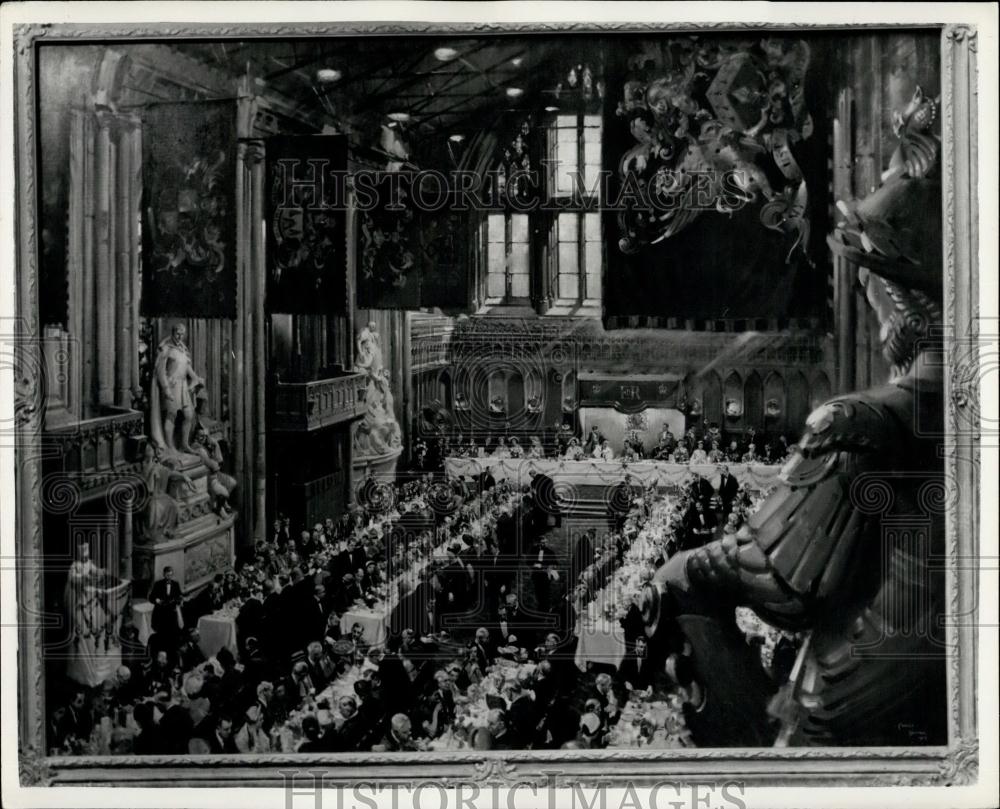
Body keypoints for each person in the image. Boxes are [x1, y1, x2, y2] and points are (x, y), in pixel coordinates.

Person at [658, 110, 948, 745]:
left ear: (892, 294)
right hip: (943, 697)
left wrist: (693, 567)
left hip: (853, 695)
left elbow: (786, 582)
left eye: (867, 282)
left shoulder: (860, 422)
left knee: (681, 581)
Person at [149, 322, 205, 455]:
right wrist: (166, 389)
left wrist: (195, 379)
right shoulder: (166, 349)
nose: (180, 336)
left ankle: (184, 444)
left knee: (189, 415)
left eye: (182, 334)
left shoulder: (183, 350)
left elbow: (188, 369)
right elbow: (160, 371)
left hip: (183, 387)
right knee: (171, 416)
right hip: (171, 386)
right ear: (173, 333)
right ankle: (170, 446)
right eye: (177, 333)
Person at [148, 566, 184, 644]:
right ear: (164, 574)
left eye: (170, 575)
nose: (169, 577)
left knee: (172, 634)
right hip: (161, 614)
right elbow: (151, 598)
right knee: (161, 635)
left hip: (172, 614)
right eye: (167, 575)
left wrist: (179, 600)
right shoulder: (158, 584)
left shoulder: (176, 584)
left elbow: (180, 596)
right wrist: (157, 600)